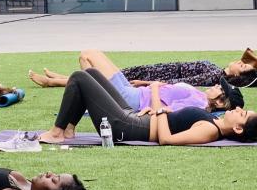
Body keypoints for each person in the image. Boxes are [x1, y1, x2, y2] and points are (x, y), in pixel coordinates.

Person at [38, 68, 257, 145]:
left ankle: (57, 132)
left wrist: (158, 108)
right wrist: (158, 111)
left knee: (78, 77)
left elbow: (166, 139)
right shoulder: (212, 120)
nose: (238, 110)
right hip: (137, 117)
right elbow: (176, 121)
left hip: (128, 127)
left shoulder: (210, 130)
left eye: (243, 114)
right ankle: (69, 128)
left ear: (238, 128)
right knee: (91, 74)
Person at [28, 50, 239, 113]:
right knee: (89, 56)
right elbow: (169, 91)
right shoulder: (200, 95)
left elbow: (159, 113)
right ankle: (73, 86)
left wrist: (154, 89)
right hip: (134, 91)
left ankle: (81, 92)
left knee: (88, 55)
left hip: (130, 99)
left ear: (221, 102)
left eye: (220, 88)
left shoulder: (197, 106)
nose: (216, 85)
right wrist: (147, 84)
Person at [30, 48, 257, 90]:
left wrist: (146, 84)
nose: (239, 61)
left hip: (154, 77)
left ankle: (56, 81)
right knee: (105, 75)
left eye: (243, 65)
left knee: (103, 78)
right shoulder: (218, 70)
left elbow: (184, 84)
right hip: (155, 71)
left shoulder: (215, 76)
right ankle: (62, 78)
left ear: (240, 76)